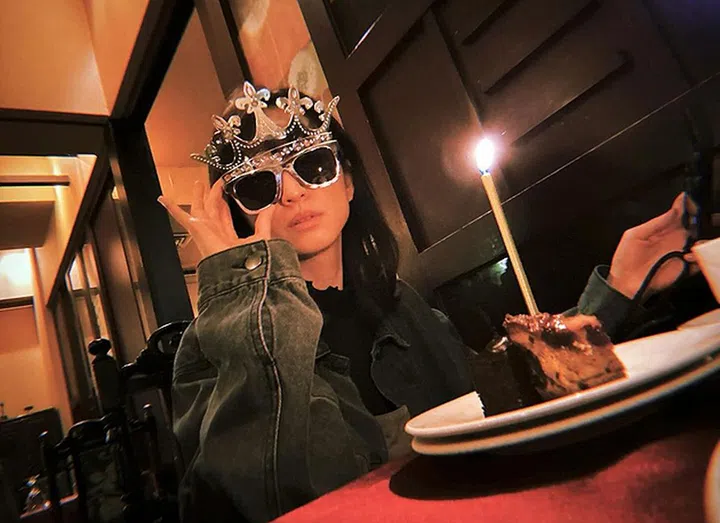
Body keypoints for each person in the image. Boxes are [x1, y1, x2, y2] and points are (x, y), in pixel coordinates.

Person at [158, 82, 700, 522]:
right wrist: (246, 290)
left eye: (314, 165)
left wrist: (619, 290)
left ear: (349, 184)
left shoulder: (403, 308)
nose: (293, 192)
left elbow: (504, 405)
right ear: (235, 213)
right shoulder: (214, 349)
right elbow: (285, 495)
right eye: (258, 186)